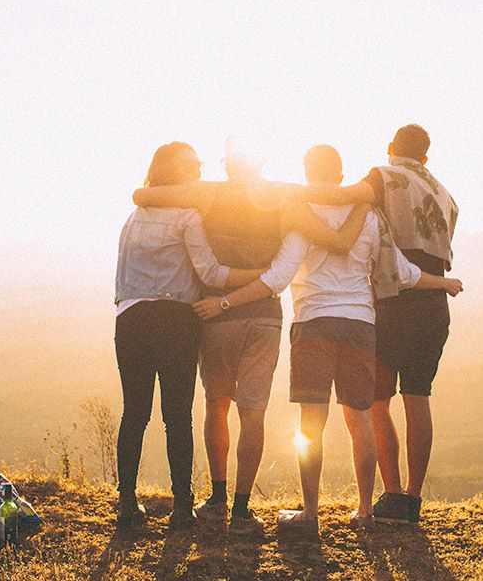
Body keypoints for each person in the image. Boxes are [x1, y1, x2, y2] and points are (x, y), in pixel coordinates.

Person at [192, 145, 462, 536]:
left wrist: (225, 301)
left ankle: (310, 514)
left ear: (306, 171)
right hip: (360, 326)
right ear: (341, 176)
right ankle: (365, 511)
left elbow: (278, 278)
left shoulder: (301, 213)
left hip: (313, 323)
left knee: (311, 424)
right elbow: (401, 272)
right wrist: (443, 282)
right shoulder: (369, 216)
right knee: (360, 421)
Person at [132, 143, 369, 535]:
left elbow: (145, 195)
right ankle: (242, 510)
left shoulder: (209, 192)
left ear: (228, 164)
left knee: (217, 404)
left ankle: (218, 498)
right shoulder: (284, 196)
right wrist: (363, 199)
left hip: (217, 316)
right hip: (264, 316)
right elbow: (332, 226)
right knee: (253, 411)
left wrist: (142, 193)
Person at [292, 125, 459, 525]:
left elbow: (341, 196)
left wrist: (287, 195)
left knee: (376, 403)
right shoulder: (445, 194)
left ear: (390, 149)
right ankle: (412, 502)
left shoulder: (383, 177)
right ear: (426, 156)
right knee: (418, 398)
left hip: (392, 301)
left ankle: (392, 494)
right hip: (433, 303)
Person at [114, 142, 264, 532]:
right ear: (175, 172)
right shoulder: (188, 215)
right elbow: (211, 274)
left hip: (130, 319)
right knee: (176, 416)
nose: (199, 167)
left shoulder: (134, 217)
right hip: (176, 320)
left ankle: (126, 503)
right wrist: (258, 276)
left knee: (134, 413)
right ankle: (182, 507)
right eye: (192, 163)